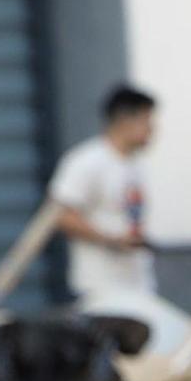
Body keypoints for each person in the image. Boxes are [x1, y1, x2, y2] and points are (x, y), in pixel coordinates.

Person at [50, 84, 158, 299]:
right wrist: (111, 240)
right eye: (147, 121)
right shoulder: (88, 161)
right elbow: (62, 216)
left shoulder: (134, 164)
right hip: (101, 285)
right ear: (126, 121)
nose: (153, 130)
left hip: (137, 281)